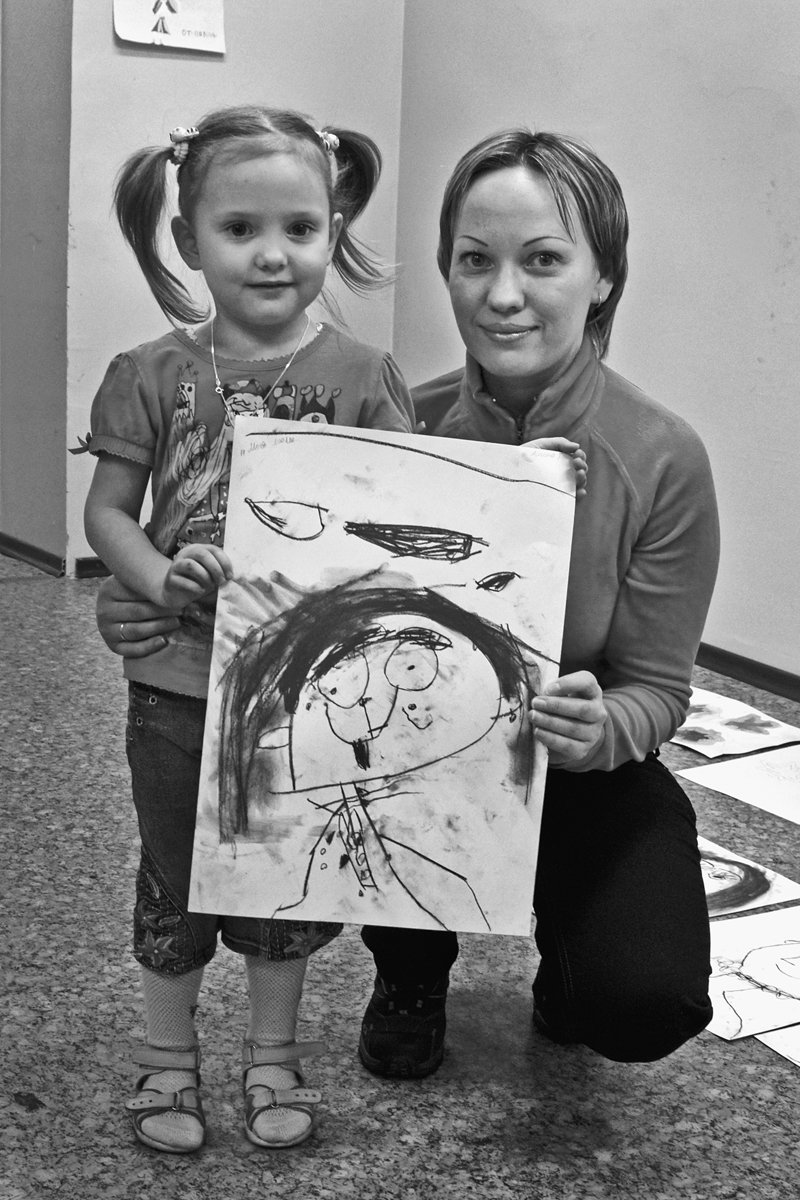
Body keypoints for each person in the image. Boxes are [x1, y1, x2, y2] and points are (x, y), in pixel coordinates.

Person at [94, 127, 715, 1085]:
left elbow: (660, 690)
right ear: (446, 270)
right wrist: (144, 601)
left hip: (575, 763)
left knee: (639, 1000)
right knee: (366, 738)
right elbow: (281, 593)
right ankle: (411, 971)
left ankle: (568, 960)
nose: (502, 294)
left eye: (543, 260)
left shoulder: (662, 455)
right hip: (412, 728)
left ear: (602, 277)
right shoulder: (391, 422)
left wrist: (604, 729)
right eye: (475, 260)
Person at [83, 104, 418, 1154]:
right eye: (239, 229)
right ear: (190, 240)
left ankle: (274, 1055)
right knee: (173, 877)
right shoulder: (150, 372)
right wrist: (157, 575)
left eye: (300, 229)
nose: (273, 254)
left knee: (282, 880)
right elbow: (107, 512)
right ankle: (166, 1056)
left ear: (333, 232)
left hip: (300, 695)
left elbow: (403, 512)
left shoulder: (363, 375)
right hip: (177, 682)